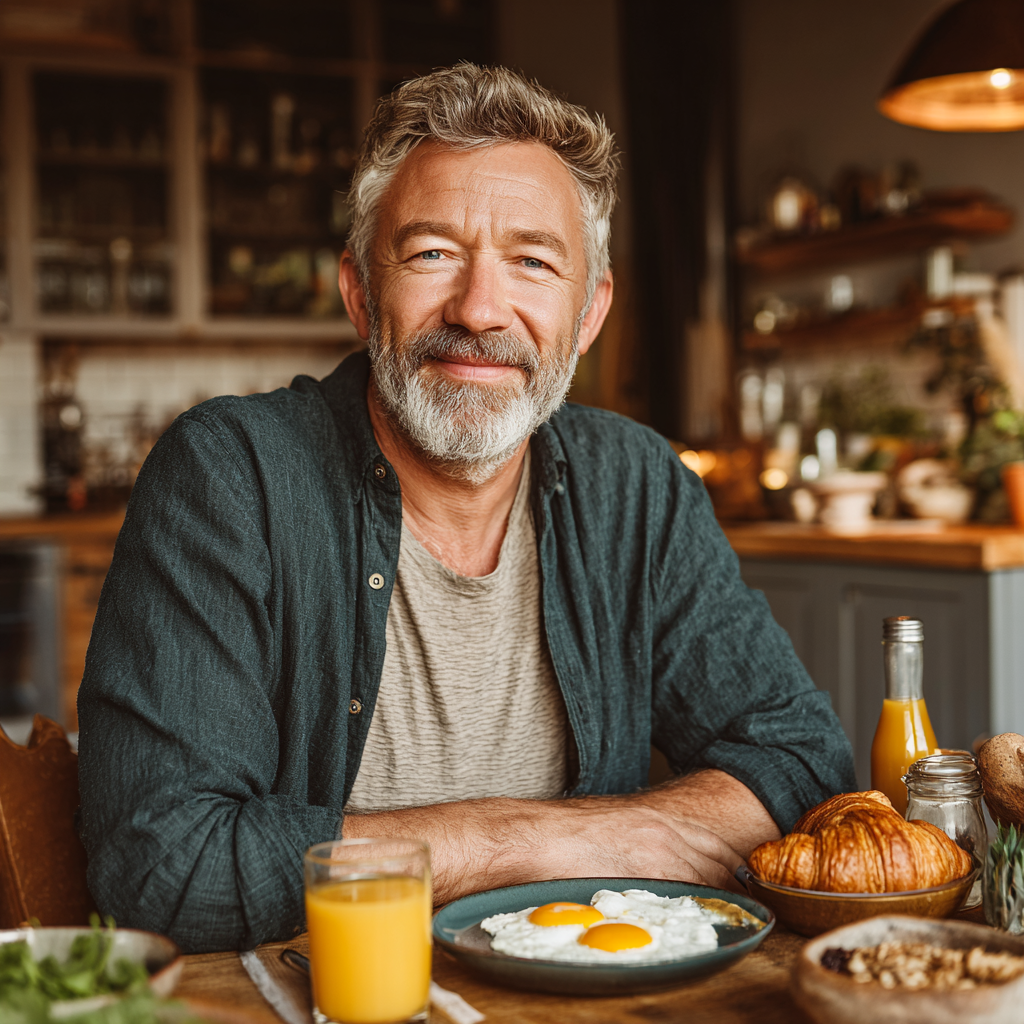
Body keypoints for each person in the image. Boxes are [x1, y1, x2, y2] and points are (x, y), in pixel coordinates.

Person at [77, 63, 856, 954]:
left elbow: (801, 764)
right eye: (432, 253)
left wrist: (408, 852)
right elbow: (164, 871)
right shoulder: (230, 477)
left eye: (532, 261)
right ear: (361, 293)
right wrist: (559, 840)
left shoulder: (636, 486)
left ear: (588, 313)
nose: (482, 309)